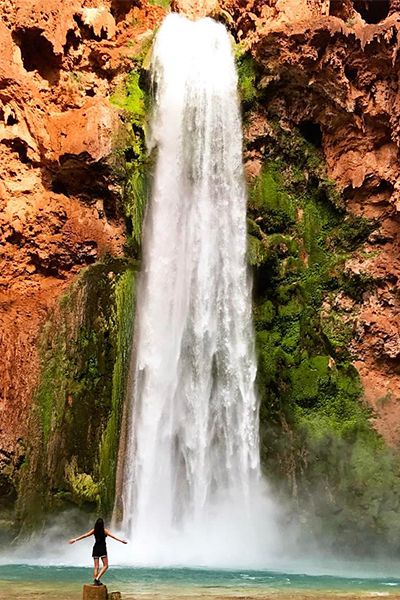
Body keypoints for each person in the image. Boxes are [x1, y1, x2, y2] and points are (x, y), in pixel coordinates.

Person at [69, 518, 127, 586]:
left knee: (96, 566)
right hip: (102, 548)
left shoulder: (94, 530)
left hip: (95, 548)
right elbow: (113, 537)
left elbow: (85, 535)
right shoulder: (104, 531)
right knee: (105, 565)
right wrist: (121, 541)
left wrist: (75, 540)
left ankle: (95, 580)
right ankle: (97, 579)